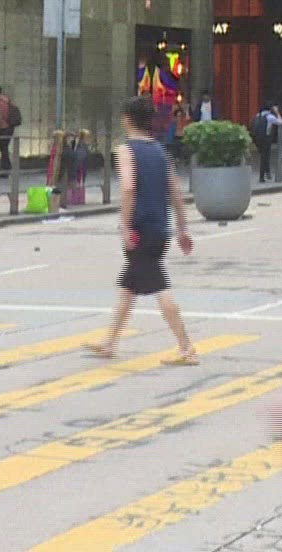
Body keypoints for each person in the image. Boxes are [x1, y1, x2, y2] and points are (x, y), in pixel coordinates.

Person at [86, 96, 197, 365]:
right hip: (160, 228)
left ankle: (186, 348)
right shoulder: (160, 151)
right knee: (130, 285)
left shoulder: (126, 151)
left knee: (159, 285)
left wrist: (125, 225)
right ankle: (110, 342)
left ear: (127, 119)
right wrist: (182, 228)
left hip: (140, 229)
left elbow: (128, 187)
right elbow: (175, 191)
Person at [0, 85, 18, 173]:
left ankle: (5, 168)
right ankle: (7, 166)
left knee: (3, 148)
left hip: (4, 127)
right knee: (5, 147)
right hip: (10, 126)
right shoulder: (6, 99)